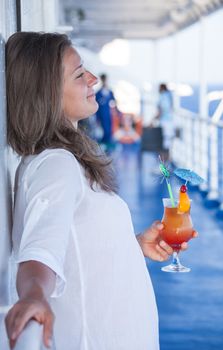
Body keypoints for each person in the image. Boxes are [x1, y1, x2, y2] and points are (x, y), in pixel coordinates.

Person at [5, 32, 196, 350]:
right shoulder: (57, 164)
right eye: (79, 74)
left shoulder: (66, 160)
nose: (93, 79)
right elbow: (39, 253)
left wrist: (132, 247)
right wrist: (34, 296)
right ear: (48, 93)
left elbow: (75, 249)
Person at [95, 73, 115, 151]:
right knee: (103, 131)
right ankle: (103, 148)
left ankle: (108, 149)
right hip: (101, 116)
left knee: (109, 131)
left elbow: (114, 103)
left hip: (109, 115)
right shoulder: (98, 94)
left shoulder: (110, 92)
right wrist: (97, 118)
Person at [155, 83, 174, 161]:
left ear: (162, 88)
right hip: (169, 121)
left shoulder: (163, 97)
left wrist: (153, 120)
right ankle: (167, 163)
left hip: (165, 122)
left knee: (164, 144)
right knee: (167, 143)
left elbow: (162, 110)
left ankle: (164, 164)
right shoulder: (169, 96)